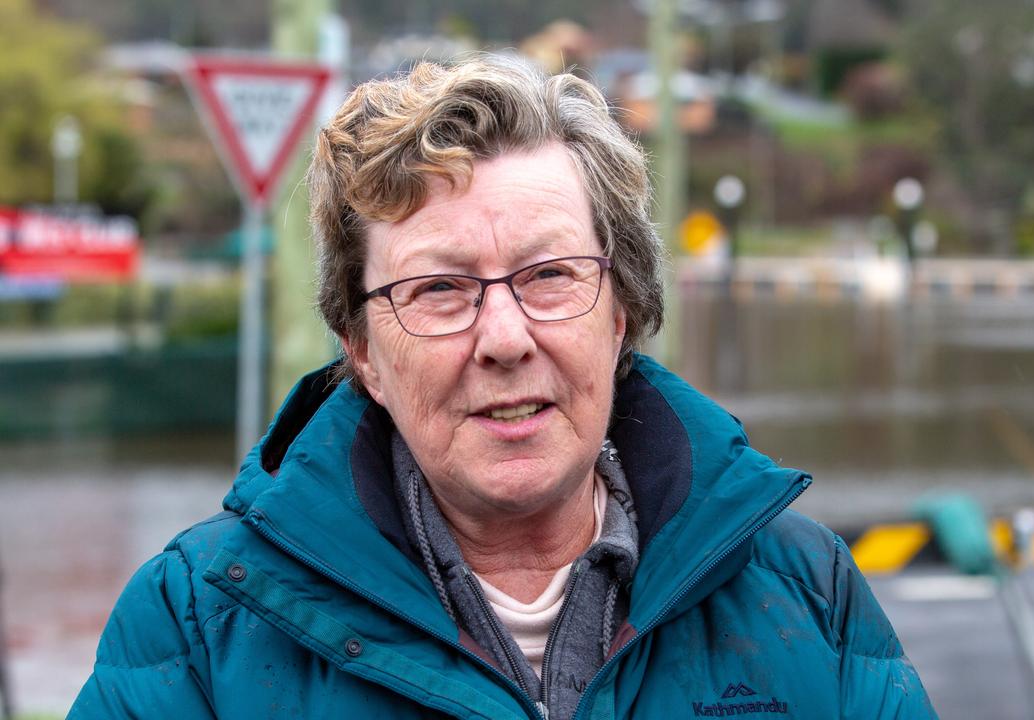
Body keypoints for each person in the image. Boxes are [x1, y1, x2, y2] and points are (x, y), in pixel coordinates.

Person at [70, 55, 936, 719]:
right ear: (362, 350)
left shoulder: (802, 587)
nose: (506, 339)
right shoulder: (195, 626)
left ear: (621, 313)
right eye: (439, 289)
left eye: (550, 275)